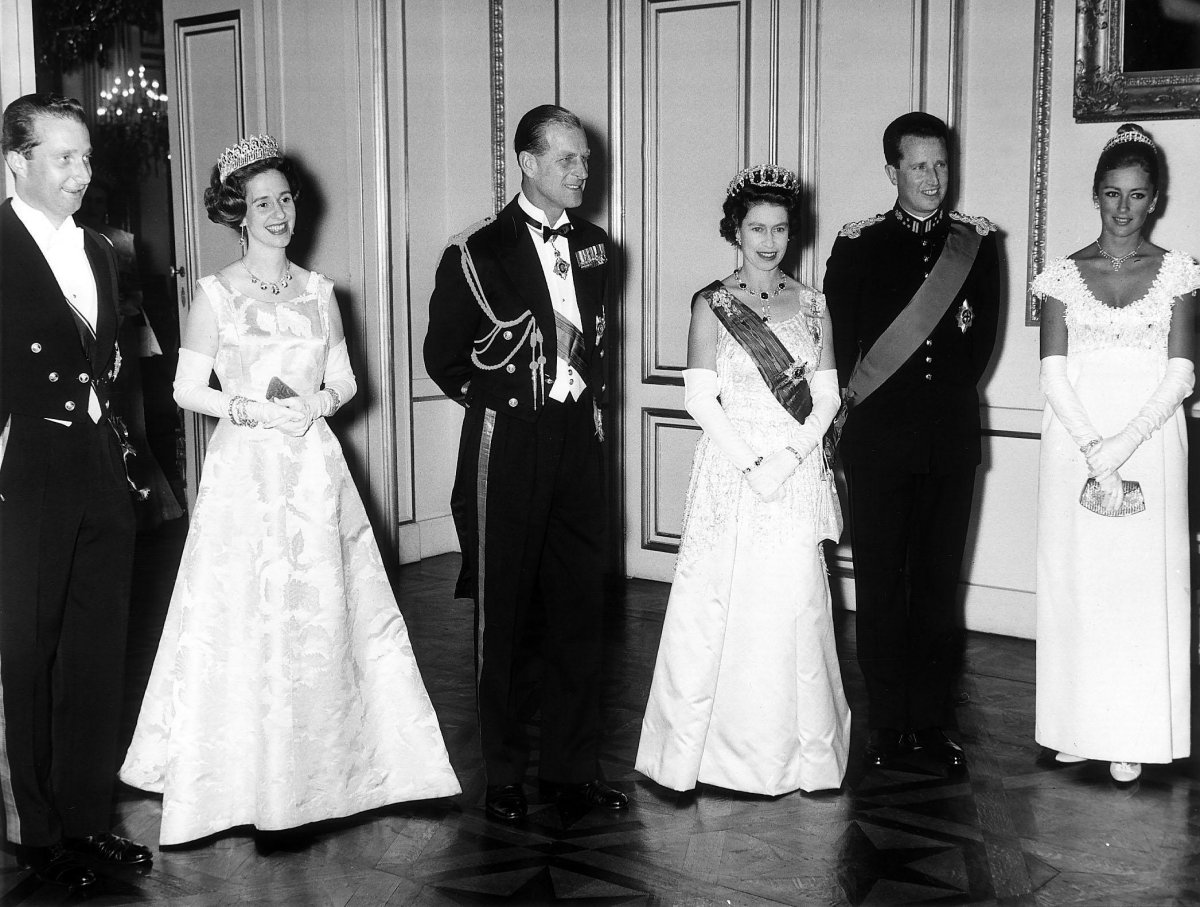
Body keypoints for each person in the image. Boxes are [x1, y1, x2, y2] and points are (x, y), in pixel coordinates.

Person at [119, 134, 461, 845]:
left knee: (327, 610)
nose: (276, 213)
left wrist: (321, 403)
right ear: (237, 214)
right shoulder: (215, 294)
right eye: (260, 203)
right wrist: (246, 408)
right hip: (247, 472)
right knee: (246, 612)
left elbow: (347, 378)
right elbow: (186, 389)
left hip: (311, 469)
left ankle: (339, 767)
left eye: (284, 200)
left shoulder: (319, 293)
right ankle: (243, 778)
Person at [424, 104, 626, 822]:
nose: (582, 171)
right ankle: (504, 773)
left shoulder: (600, 247)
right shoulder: (477, 250)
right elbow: (443, 358)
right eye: (567, 159)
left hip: (579, 440)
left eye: (585, 159)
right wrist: (514, 394)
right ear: (530, 163)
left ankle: (572, 769)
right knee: (504, 613)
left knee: (580, 609)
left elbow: (593, 342)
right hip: (507, 441)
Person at [635, 164, 850, 795]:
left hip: (794, 467)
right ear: (735, 230)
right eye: (757, 227)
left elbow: (830, 394)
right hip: (732, 474)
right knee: (718, 605)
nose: (769, 241)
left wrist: (788, 458)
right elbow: (700, 398)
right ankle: (703, 757)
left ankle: (801, 758)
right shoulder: (712, 302)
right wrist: (752, 464)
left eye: (781, 229)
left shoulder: (812, 304)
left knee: (791, 607)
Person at [0, 93, 151, 894]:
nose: (83, 172)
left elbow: (111, 361)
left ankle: (90, 816)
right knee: (27, 652)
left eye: (87, 156)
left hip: (97, 460)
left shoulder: (98, 248)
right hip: (24, 465)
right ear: (17, 161)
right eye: (64, 157)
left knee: (97, 649)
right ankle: (38, 828)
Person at [824, 112, 999, 771]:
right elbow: (839, 354)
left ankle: (930, 720)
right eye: (919, 166)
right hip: (878, 444)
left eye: (942, 164)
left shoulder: (978, 246)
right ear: (892, 170)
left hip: (950, 444)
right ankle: (888, 721)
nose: (933, 178)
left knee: (935, 588)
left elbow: (978, 347)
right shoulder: (860, 245)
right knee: (880, 585)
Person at [1032, 124, 1196, 784]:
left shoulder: (1180, 272)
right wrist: (1095, 451)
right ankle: (1077, 724)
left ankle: (1132, 729)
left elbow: (1181, 371)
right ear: (1094, 195)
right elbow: (1051, 374)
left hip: (1151, 443)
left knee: (1136, 586)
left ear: (1154, 200)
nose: (1122, 209)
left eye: (1136, 195)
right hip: (1075, 442)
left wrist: (1124, 445)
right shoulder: (1062, 276)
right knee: (1078, 580)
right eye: (1111, 194)